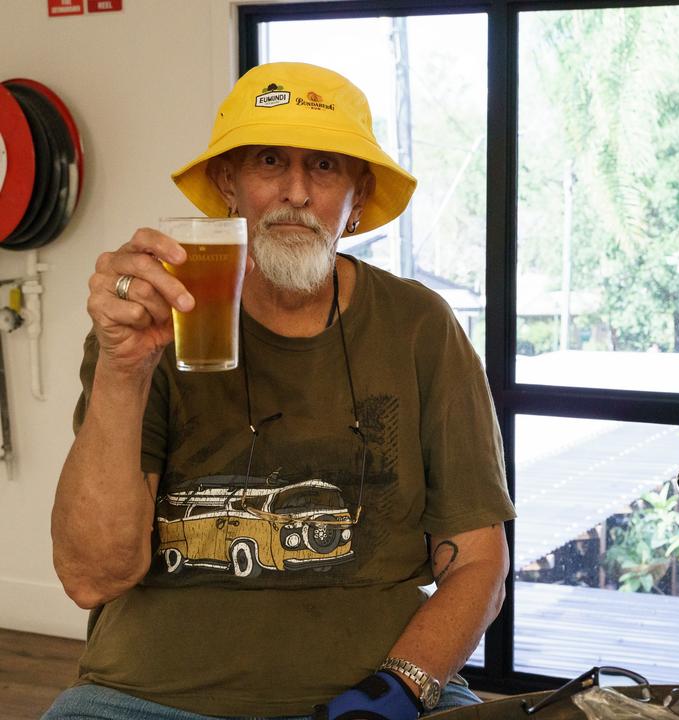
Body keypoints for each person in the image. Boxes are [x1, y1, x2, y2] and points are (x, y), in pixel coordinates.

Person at [47, 62, 515, 719]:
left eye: (325, 166)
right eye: (270, 161)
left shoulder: (420, 327)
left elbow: (479, 564)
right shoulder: (150, 324)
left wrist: (399, 690)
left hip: (383, 691)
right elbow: (92, 576)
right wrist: (124, 369)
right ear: (229, 184)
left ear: (355, 199)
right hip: (149, 697)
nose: (296, 190)